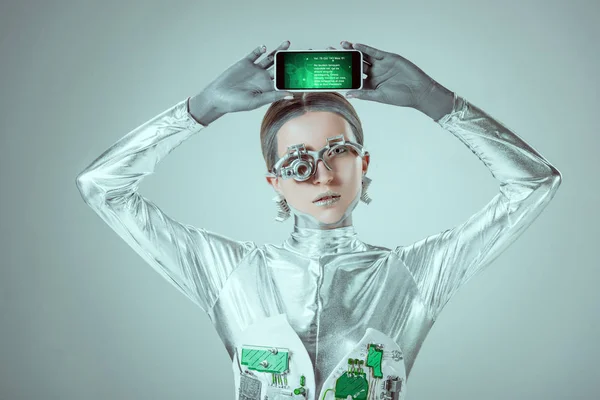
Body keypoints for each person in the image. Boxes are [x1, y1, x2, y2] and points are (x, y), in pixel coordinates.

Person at [76, 40, 562, 400]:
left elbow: (535, 184)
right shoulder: (231, 273)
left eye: (339, 151)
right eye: (298, 162)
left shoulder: (410, 275)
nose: (323, 174)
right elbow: (103, 186)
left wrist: (431, 98)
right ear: (275, 183)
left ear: (364, 165)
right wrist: (201, 108)